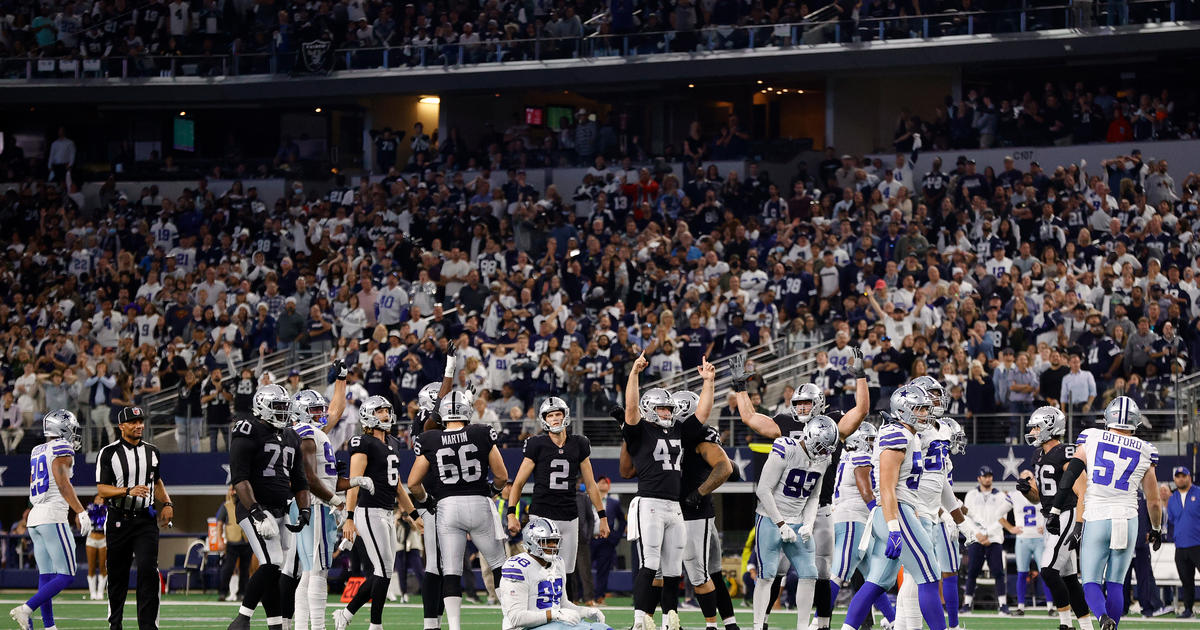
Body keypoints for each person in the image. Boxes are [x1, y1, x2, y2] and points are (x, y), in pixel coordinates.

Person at [733, 346, 870, 630]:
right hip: (783, 509)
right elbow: (750, 418)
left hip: (818, 507)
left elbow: (861, 411)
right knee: (776, 571)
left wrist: (860, 376)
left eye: (807, 403)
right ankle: (763, 622)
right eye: (799, 403)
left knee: (821, 571)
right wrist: (739, 387)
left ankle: (821, 624)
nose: (802, 408)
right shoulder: (784, 423)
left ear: (818, 403)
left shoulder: (832, 422)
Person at [1047, 396, 1162, 630]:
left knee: (1090, 581)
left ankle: (1101, 618)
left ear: (1108, 416)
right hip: (1127, 517)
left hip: (1097, 514)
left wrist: (1056, 509)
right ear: (1135, 421)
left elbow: (1070, 477)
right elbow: (1154, 501)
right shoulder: (1145, 450)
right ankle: (1112, 626)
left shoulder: (1092, 435)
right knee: (1117, 583)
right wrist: (1157, 529)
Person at [839, 385, 947, 630]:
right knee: (930, 575)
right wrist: (894, 527)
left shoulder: (909, 434)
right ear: (903, 409)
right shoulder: (896, 434)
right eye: (919, 409)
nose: (924, 414)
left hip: (899, 511)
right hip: (895, 512)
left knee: (877, 581)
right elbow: (887, 488)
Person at [409, 389, 510, 630]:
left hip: (447, 507)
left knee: (451, 570)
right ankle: (511, 619)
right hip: (479, 502)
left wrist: (425, 501)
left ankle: (454, 627)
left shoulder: (431, 438)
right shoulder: (481, 433)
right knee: (499, 565)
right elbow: (502, 476)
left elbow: (413, 483)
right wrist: (493, 491)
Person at [226, 385, 312, 630]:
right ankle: (242, 618)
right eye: (278, 406)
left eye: (286, 406)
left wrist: (304, 509)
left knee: (276, 570)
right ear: (262, 406)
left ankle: (276, 624)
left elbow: (300, 480)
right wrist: (255, 510)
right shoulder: (248, 429)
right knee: (271, 561)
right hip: (254, 507)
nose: (284, 411)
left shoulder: (291, 436)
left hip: (281, 508)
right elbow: (240, 477)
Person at [332, 394, 421, 630]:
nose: (386, 414)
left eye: (387, 410)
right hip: (368, 511)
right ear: (369, 416)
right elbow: (354, 482)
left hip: (385, 511)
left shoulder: (393, 442)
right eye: (381, 411)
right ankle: (375, 625)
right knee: (383, 571)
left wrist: (413, 516)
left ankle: (346, 614)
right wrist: (349, 518)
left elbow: (398, 485)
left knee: (384, 572)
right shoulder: (363, 442)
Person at [506, 396, 609, 591]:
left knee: (566, 572)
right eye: (550, 415)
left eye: (558, 414)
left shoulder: (579, 443)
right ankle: (540, 614)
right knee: (541, 569)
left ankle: (564, 616)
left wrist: (602, 517)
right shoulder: (537, 444)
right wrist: (511, 513)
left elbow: (591, 484)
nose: (554, 419)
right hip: (542, 515)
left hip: (569, 515)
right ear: (544, 419)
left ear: (565, 417)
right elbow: (518, 483)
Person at [895, 376, 972, 630]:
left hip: (929, 511)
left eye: (938, 395)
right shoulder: (912, 429)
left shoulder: (943, 429)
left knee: (914, 577)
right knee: (920, 576)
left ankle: (903, 626)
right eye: (932, 395)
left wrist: (959, 519)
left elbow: (941, 481)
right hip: (914, 506)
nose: (937, 400)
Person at [621, 355, 691, 630]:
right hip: (649, 502)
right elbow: (629, 408)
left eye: (668, 409)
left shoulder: (676, 430)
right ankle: (639, 620)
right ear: (650, 409)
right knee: (650, 563)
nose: (666, 413)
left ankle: (668, 621)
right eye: (662, 409)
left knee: (673, 569)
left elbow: (703, 415)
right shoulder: (641, 431)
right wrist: (634, 374)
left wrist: (708, 382)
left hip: (674, 505)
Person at [751, 415, 839, 630]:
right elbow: (763, 489)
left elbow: (814, 496)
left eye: (828, 448)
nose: (824, 453)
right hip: (770, 519)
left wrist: (808, 523)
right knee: (767, 574)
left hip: (798, 520)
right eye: (821, 446)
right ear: (808, 436)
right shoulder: (786, 448)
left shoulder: (824, 459)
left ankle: (802, 627)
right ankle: (757, 626)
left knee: (810, 573)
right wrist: (781, 524)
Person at [9, 410, 92, 630]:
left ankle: (49, 627)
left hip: (36, 516)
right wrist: (80, 511)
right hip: (53, 515)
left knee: (46, 576)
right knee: (67, 575)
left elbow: (32, 483)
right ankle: (26, 609)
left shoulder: (37, 450)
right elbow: (63, 482)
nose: (73, 434)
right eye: (71, 429)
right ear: (61, 428)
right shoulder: (61, 447)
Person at [670, 361, 737, 630]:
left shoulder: (698, 434)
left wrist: (698, 493)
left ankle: (713, 626)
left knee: (699, 571)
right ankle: (730, 625)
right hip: (686, 511)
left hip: (695, 513)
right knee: (711, 572)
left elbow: (725, 466)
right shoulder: (671, 434)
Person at [96, 406, 174, 630]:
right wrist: (127, 491)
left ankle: (149, 626)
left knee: (148, 570)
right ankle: (115, 625)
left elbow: (155, 481)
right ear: (121, 426)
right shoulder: (109, 452)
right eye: (133, 422)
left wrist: (167, 502)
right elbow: (102, 489)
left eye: (140, 421)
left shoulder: (152, 451)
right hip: (118, 518)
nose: (139, 425)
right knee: (118, 575)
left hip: (145, 520)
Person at [1016, 406, 1093, 630]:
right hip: (1051, 517)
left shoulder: (1067, 452)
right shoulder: (1038, 455)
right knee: (1069, 578)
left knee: (1048, 571)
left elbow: (1082, 492)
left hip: (1066, 515)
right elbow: (1038, 498)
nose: (1033, 431)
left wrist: (1078, 524)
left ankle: (1065, 624)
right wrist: (1026, 490)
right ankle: (1086, 626)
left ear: (1051, 427)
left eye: (1037, 427)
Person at [289, 359, 350, 630]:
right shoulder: (304, 434)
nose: (321, 414)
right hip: (314, 504)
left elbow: (336, 411)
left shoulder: (311, 430)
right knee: (318, 571)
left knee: (310, 571)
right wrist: (335, 501)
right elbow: (309, 478)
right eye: (314, 410)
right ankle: (317, 627)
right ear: (301, 412)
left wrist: (341, 379)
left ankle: (304, 626)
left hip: (313, 504)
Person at [831, 423, 896, 628]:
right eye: (869, 440)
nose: (872, 444)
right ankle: (818, 620)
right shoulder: (860, 456)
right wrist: (880, 514)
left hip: (851, 517)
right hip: (853, 518)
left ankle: (893, 620)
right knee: (839, 572)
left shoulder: (846, 456)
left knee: (872, 576)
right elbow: (866, 492)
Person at [498, 517, 610, 630]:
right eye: (547, 541)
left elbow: (563, 605)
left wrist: (585, 612)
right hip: (525, 627)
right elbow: (516, 618)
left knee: (601, 628)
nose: (552, 546)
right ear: (531, 541)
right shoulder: (517, 567)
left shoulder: (558, 563)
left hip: (553, 624)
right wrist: (554, 615)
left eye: (555, 541)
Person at [961, 466, 1010, 614]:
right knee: (972, 572)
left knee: (998, 573)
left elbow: (1003, 518)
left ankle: (1002, 605)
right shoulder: (971, 494)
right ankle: (967, 605)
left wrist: (987, 533)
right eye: (985, 476)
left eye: (990, 476)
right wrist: (978, 534)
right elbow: (966, 517)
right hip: (976, 539)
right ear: (979, 478)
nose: (988, 478)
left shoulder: (1001, 496)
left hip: (994, 539)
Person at [1003, 469, 1047, 616]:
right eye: (1024, 478)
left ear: (1034, 479)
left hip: (1040, 538)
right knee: (1022, 573)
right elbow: (998, 514)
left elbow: (1053, 510)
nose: (1027, 480)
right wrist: (1010, 528)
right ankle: (1021, 606)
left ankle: (1052, 606)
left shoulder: (1042, 492)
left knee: (1046, 573)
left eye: (1029, 478)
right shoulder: (1014, 495)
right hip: (1023, 539)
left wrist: (1047, 525)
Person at [1168, 466, 1199, 618]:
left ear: (1189, 478)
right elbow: (1172, 521)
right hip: (1180, 546)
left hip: (1197, 544)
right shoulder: (1172, 498)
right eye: (1178, 476)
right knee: (1186, 581)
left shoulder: (1198, 493)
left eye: (1183, 476)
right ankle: (1188, 609)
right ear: (1174, 479)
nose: (1181, 479)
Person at [216, 486, 252, 602]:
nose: (235, 492)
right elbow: (219, 524)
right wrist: (220, 540)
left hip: (246, 541)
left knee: (245, 569)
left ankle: (242, 593)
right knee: (228, 568)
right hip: (232, 542)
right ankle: (222, 592)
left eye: (236, 489)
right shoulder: (226, 506)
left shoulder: (247, 504)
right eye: (232, 489)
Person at [85, 495, 108, 600]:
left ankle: (100, 592)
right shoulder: (90, 509)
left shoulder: (107, 509)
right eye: (97, 499)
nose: (99, 501)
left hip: (103, 539)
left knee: (103, 566)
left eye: (101, 499)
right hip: (91, 539)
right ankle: (92, 592)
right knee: (91, 566)